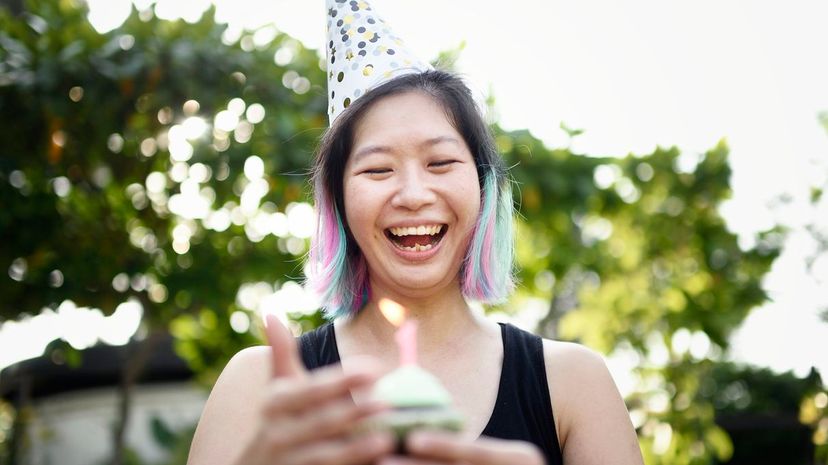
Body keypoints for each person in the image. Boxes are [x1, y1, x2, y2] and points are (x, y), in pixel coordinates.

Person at [187, 2, 644, 465]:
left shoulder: (572, 382)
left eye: (440, 163)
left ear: (484, 189)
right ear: (339, 203)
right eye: (378, 168)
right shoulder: (257, 385)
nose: (412, 194)